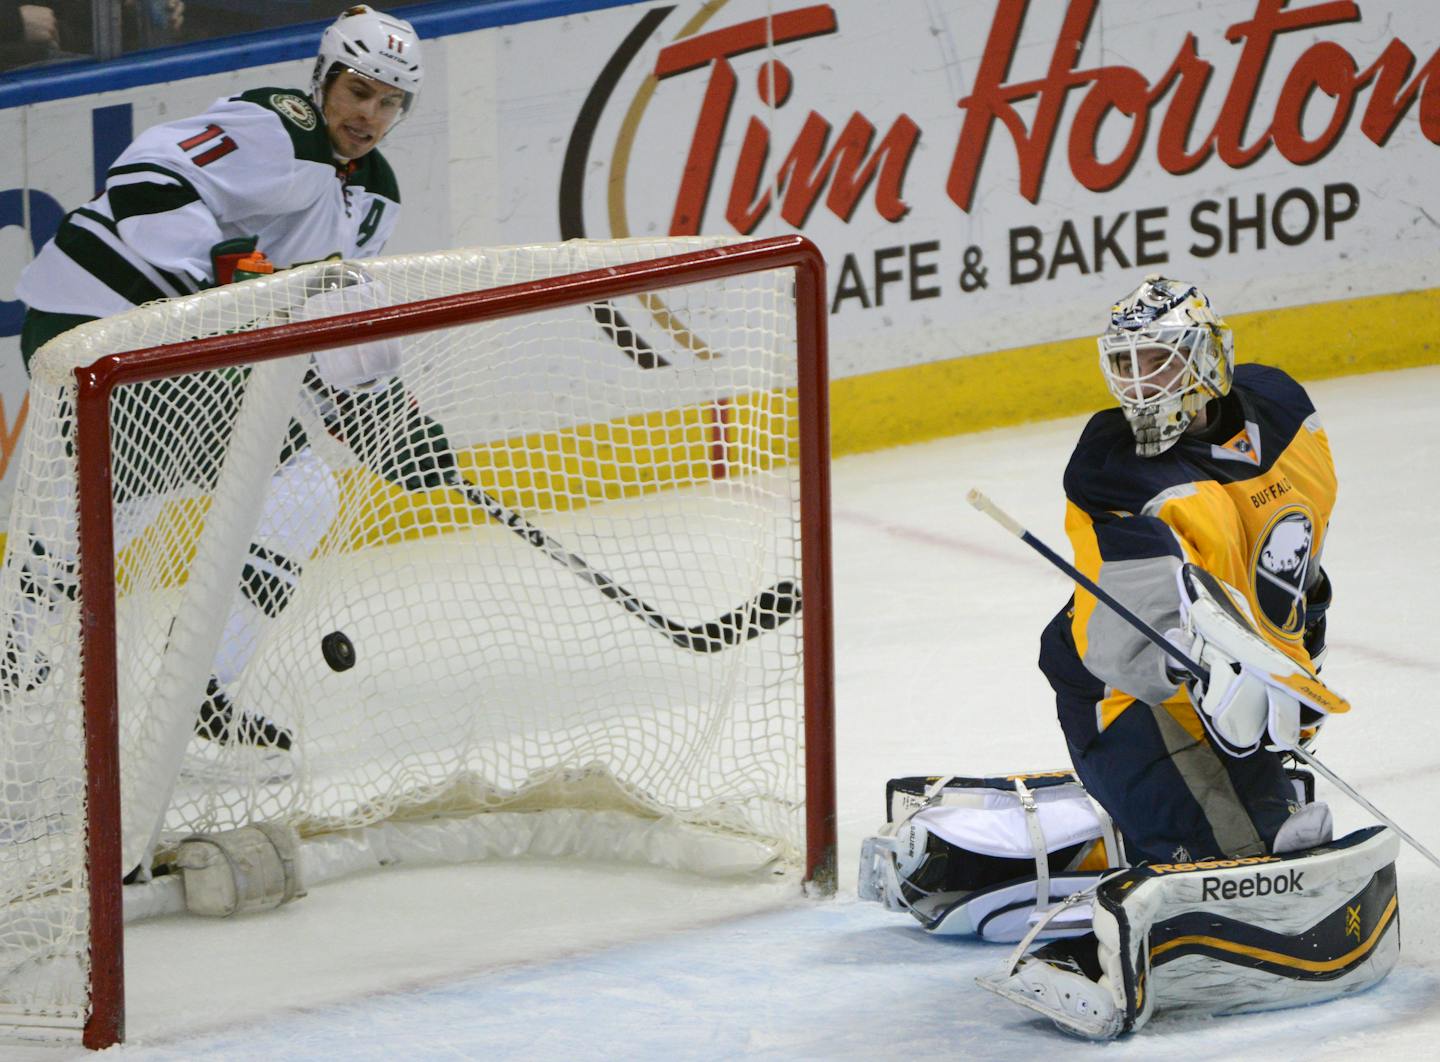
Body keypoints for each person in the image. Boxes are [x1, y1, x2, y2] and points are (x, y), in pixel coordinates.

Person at [975, 275, 1399, 1037]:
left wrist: (1294, 670)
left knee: (1264, 819)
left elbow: (1293, 568)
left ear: (1209, 358)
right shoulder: (1114, 466)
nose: (1141, 385)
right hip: (1135, 697)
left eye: (1161, 361)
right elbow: (1128, 641)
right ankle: (1150, 832)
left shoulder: (1285, 409)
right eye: (1126, 364)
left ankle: (1124, 828)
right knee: (1249, 862)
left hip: (1242, 687)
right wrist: (1211, 682)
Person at [8, 5, 423, 750]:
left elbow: (319, 313)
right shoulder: (278, 125)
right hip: (106, 316)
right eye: (357, 91)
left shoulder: (374, 200)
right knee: (257, 492)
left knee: (218, 495)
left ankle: (73, 658)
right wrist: (213, 269)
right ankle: (150, 675)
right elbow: (143, 179)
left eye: (389, 102)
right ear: (324, 78)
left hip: (168, 348)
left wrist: (386, 416)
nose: (369, 114)